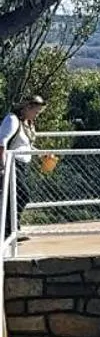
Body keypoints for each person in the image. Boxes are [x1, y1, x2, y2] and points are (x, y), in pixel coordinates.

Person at [0, 95, 46, 241]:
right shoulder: (12, 120)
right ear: (27, 107)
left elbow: (25, 145)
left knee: (16, 197)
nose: (36, 114)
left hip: (23, 165)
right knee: (22, 195)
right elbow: (2, 143)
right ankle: (8, 230)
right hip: (12, 163)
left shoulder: (28, 123)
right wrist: (3, 167)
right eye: (35, 111)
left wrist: (41, 154)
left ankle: (12, 228)